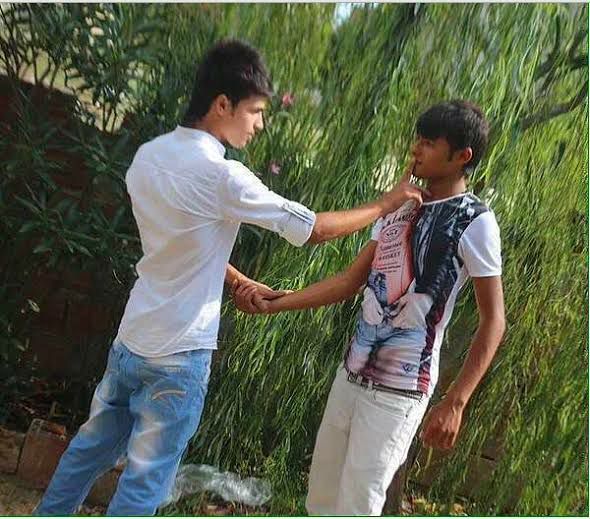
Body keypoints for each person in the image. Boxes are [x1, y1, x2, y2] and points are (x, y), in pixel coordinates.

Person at [34, 40, 426, 516]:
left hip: (132, 341)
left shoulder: (147, 158)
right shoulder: (223, 176)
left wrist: (237, 278)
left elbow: (179, 243)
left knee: (86, 453)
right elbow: (314, 230)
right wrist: (386, 204)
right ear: (222, 105)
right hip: (179, 356)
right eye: (255, 111)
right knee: (145, 481)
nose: (259, 123)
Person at [235, 100, 506, 516]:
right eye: (417, 139)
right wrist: (277, 302)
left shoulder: (475, 221)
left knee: (358, 504)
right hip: (352, 373)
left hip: (399, 390)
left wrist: (456, 401)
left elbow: (493, 321)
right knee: (321, 498)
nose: (415, 149)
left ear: (462, 156)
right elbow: (349, 281)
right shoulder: (401, 205)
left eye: (429, 143)